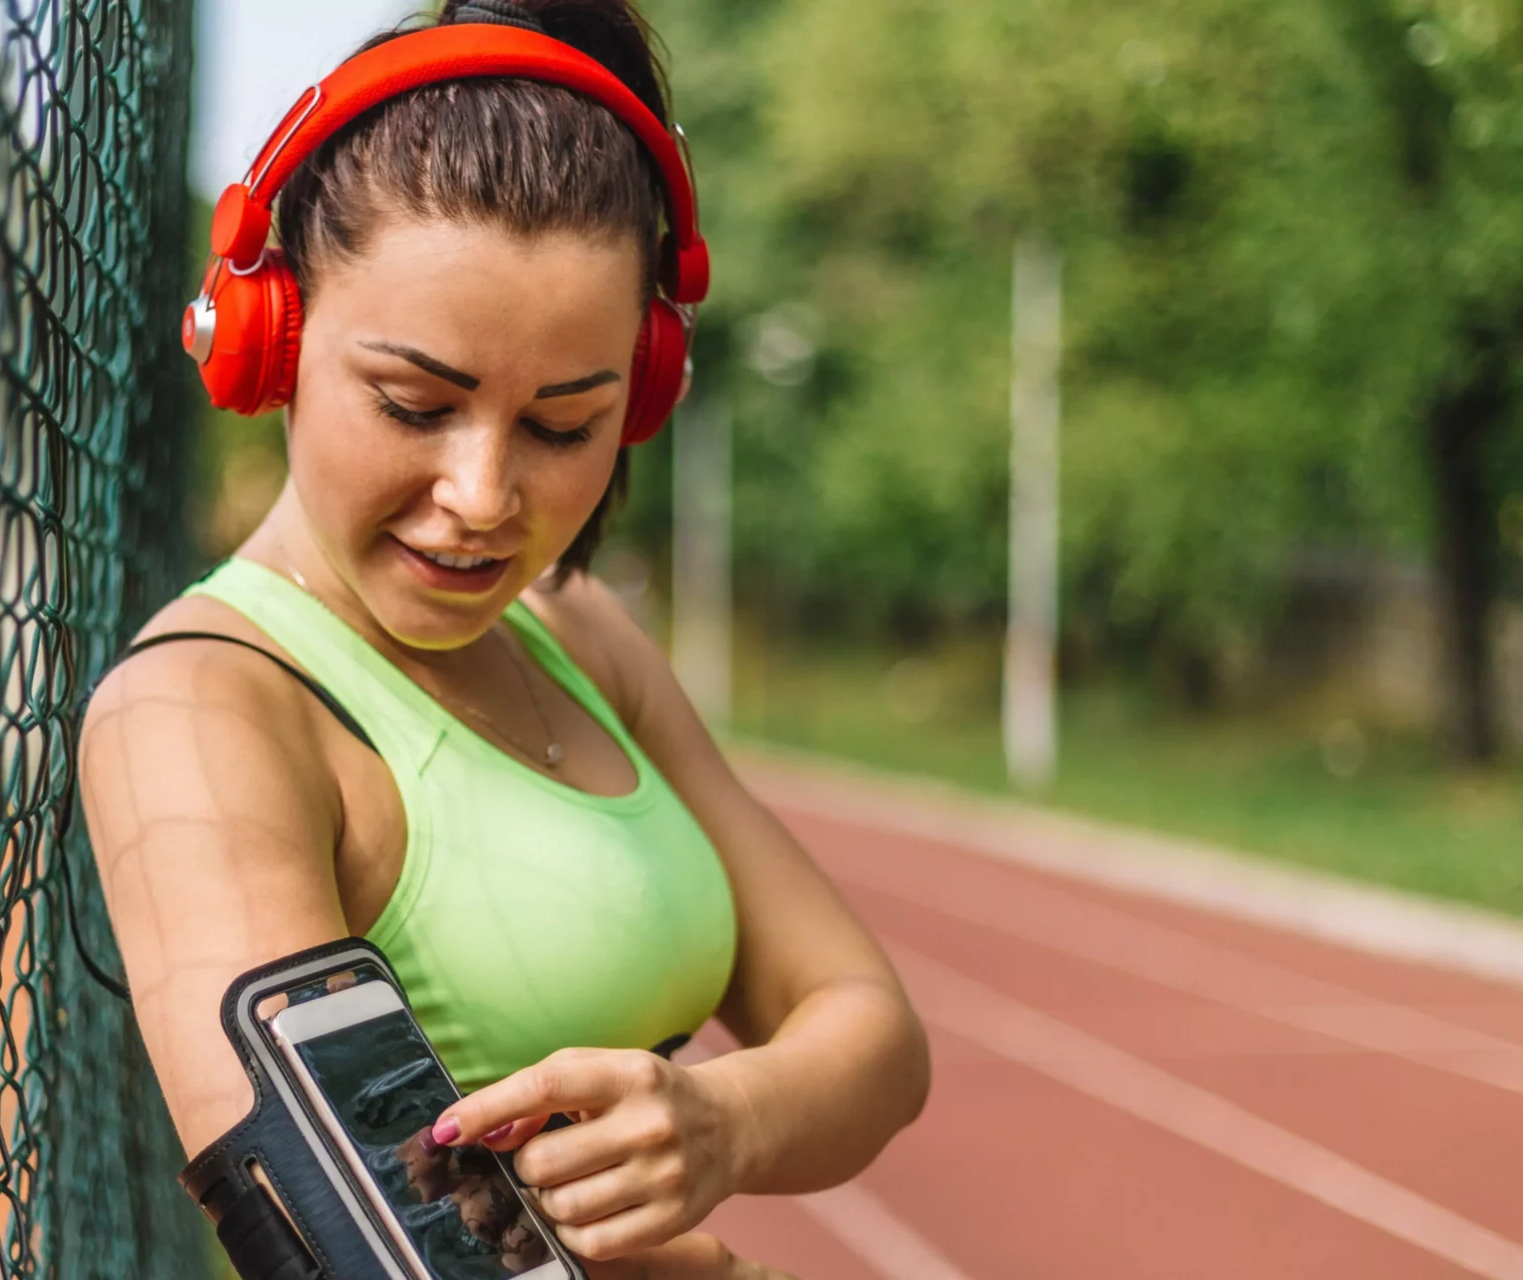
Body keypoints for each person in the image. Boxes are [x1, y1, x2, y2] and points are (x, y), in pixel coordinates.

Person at [79, 2, 930, 1274]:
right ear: (273, 341)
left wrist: (724, 1121)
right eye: (415, 403)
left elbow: (874, 1033)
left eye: (562, 424)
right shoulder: (201, 713)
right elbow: (357, 1241)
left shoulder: (576, 632)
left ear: (638, 393)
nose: (483, 497)